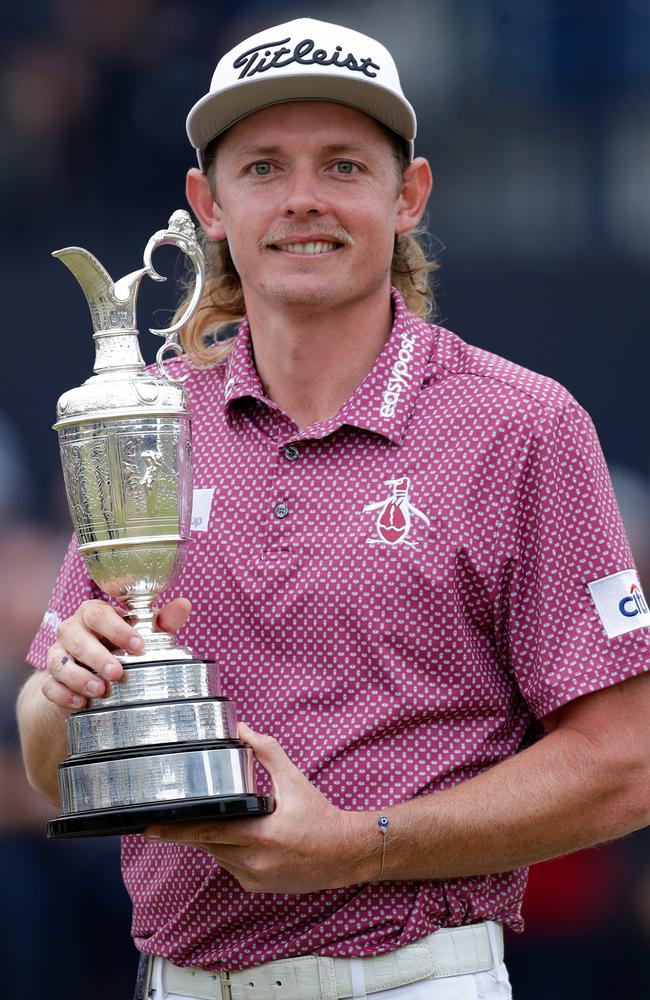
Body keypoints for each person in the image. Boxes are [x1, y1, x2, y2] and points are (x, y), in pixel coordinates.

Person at [17, 17, 650, 1000]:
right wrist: (64, 692)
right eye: (263, 166)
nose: (302, 199)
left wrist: (358, 845)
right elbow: (51, 768)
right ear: (207, 203)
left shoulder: (518, 424)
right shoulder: (145, 417)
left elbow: (625, 762)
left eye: (343, 166)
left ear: (407, 195)